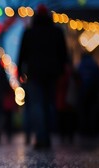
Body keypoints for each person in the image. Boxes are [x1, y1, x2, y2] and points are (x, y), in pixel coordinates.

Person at [17, 4, 68, 149]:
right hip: (52, 74)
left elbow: (22, 54)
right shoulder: (56, 31)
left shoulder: (29, 32)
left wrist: (20, 72)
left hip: (34, 74)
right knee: (49, 104)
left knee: (37, 105)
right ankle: (48, 135)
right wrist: (61, 71)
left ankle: (41, 137)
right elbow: (63, 54)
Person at [76, 51, 99, 137]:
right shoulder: (94, 64)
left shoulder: (81, 64)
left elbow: (77, 77)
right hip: (93, 92)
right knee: (92, 111)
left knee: (83, 111)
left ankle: (84, 130)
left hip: (82, 92)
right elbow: (98, 77)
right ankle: (92, 129)